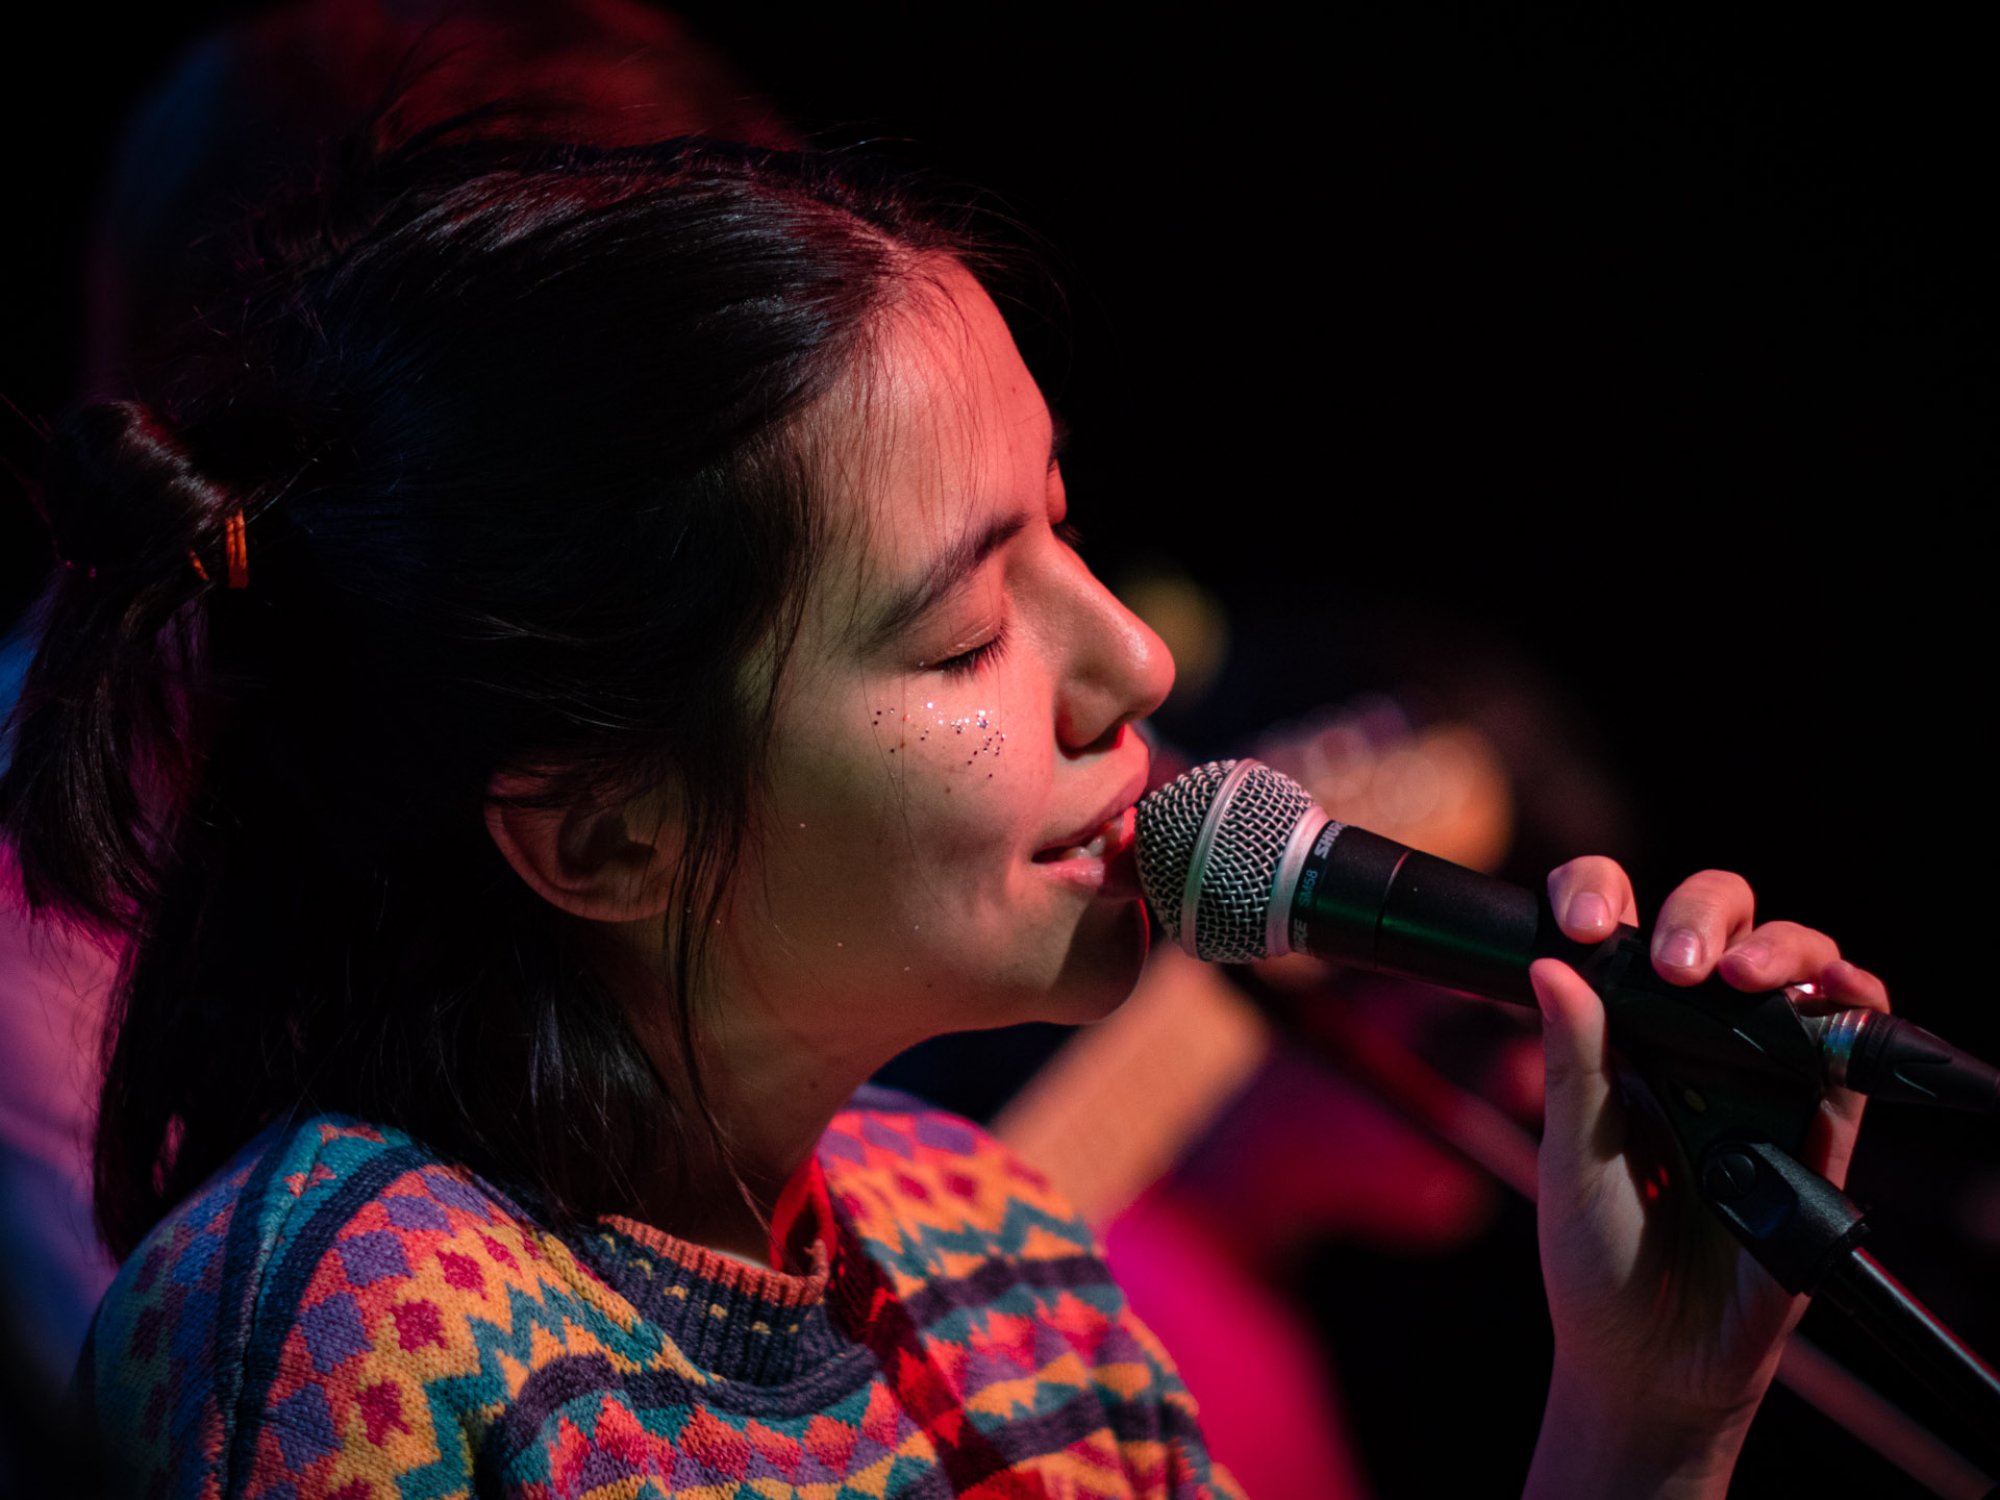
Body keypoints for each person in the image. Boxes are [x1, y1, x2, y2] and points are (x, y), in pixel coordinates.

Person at [0, 121, 1889, 1497]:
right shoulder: (348, 1335)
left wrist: (1647, 1427)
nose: (1134, 661)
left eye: (1064, 528)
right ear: (605, 833)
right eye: (967, 628)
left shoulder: (1002, 1256)